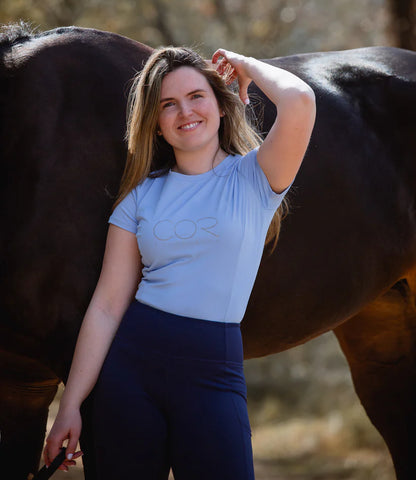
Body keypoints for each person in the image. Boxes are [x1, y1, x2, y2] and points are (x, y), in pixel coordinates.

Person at [44, 46, 316, 479]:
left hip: (214, 372)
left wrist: (244, 67)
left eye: (196, 96)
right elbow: (107, 306)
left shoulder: (255, 177)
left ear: (221, 107)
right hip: (130, 371)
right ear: (155, 122)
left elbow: (300, 101)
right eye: (167, 104)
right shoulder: (139, 198)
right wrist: (70, 405)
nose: (184, 112)